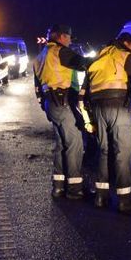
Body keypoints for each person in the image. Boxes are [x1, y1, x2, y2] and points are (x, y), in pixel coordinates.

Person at [84, 32, 131, 213]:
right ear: (127, 43)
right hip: (118, 106)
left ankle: (101, 197)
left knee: (104, 150)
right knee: (123, 151)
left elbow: (86, 87)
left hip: (98, 108)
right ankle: (124, 200)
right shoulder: (125, 55)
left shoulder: (100, 56)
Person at [33, 24, 91, 199]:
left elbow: (37, 86)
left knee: (61, 145)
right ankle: (75, 189)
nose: (70, 41)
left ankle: (58, 187)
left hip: (51, 103)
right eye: (68, 37)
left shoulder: (41, 55)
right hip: (63, 101)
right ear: (61, 37)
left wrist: (44, 104)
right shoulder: (60, 52)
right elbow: (83, 64)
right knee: (75, 144)